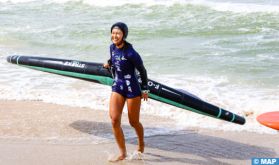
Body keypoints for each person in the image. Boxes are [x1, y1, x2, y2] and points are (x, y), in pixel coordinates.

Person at [103, 22, 149, 161]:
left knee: (133, 122)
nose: (115, 36)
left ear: (124, 35)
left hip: (132, 88)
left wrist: (145, 89)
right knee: (114, 120)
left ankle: (141, 143)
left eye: (118, 33)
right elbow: (114, 58)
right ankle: (123, 153)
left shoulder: (131, 53)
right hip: (118, 85)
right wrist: (109, 63)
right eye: (113, 33)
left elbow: (142, 71)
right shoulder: (112, 47)